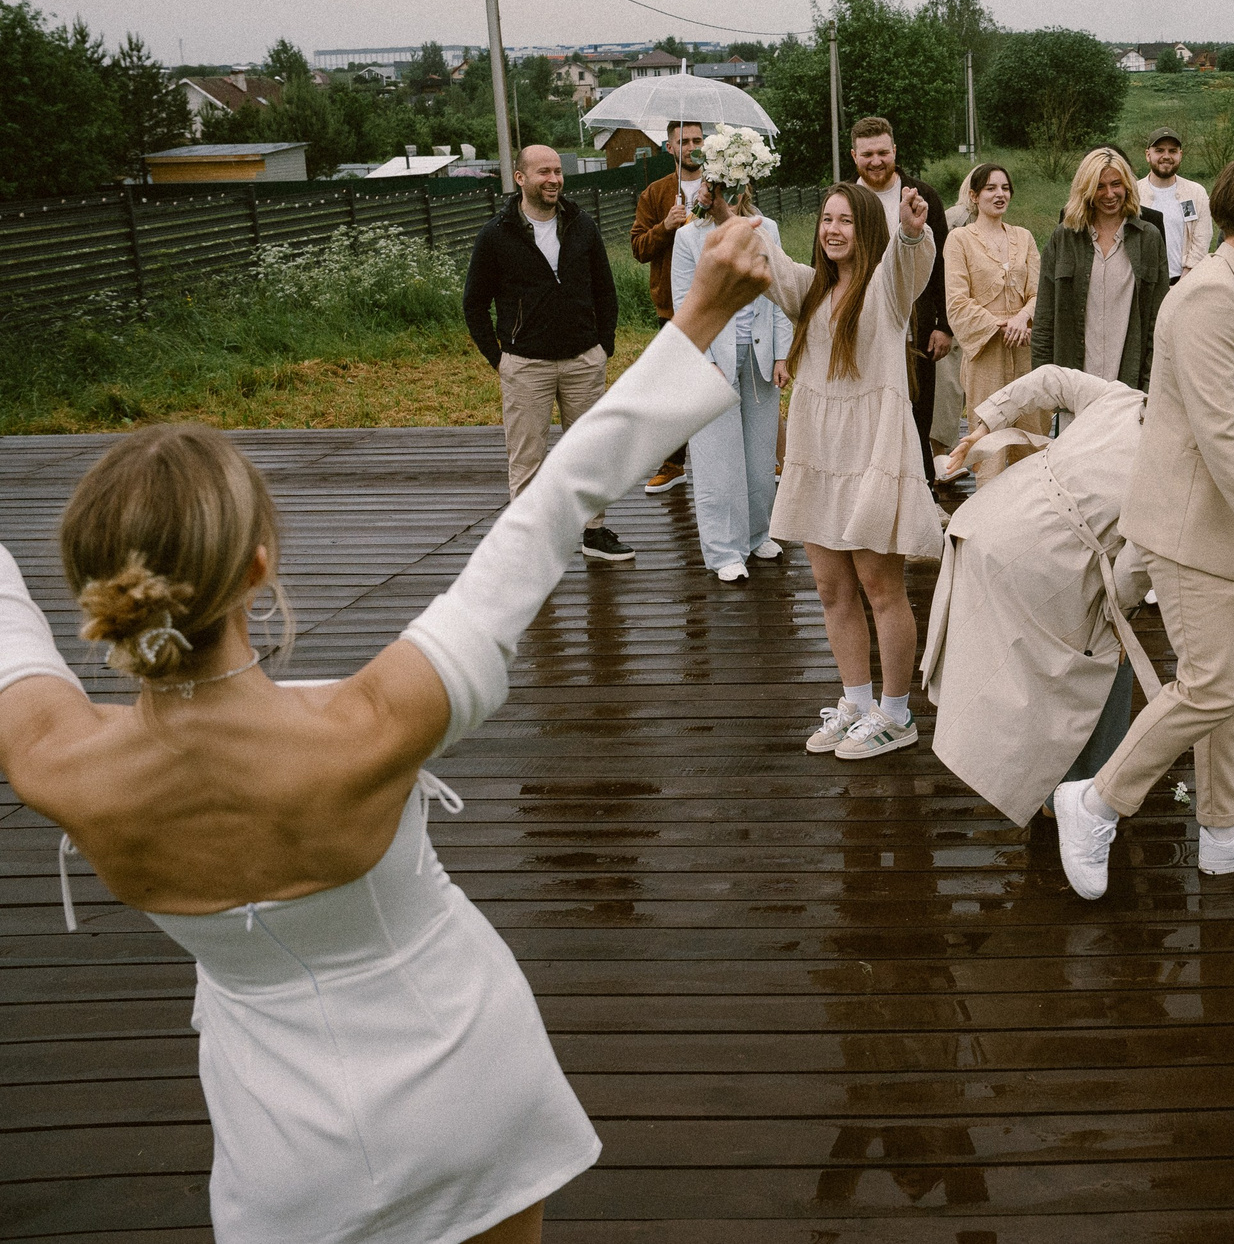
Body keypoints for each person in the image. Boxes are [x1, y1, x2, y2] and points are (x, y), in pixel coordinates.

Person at [0, 218, 775, 1244]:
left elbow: (10, 631)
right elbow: (552, 504)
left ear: (96, 593)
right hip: (468, 1087)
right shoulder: (373, 721)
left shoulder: (56, 761)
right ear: (260, 565)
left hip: (288, 1160)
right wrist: (703, 311)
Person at [1052, 155, 1234, 900]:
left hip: (1228, 530)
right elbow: (1219, 434)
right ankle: (1094, 801)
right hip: (1190, 531)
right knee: (1212, 685)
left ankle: (1223, 830)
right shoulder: (1209, 297)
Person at [920, 365, 1151, 825]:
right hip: (1047, 561)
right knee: (1107, 657)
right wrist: (1117, 612)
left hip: (988, 524)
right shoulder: (1173, 461)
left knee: (1030, 662)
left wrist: (985, 421)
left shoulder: (1121, 398)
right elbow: (1139, 562)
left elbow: (1047, 377)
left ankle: (1058, 788)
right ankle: (1084, 798)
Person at [764, 181, 942, 764]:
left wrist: (912, 228)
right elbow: (764, 256)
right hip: (820, 454)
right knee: (830, 588)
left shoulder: (885, 291)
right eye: (825, 220)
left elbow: (909, 260)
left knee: (880, 586)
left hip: (870, 454)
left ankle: (896, 713)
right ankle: (857, 703)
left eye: (845, 220)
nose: (833, 230)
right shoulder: (811, 290)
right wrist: (724, 203)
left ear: (866, 227)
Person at [463, 144, 630, 562]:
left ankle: (594, 532)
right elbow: (473, 303)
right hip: (525, 364)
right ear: (520, 178)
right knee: (527, 458)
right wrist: (499, 358)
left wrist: (602, 345)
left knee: (589, 451)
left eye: (557, 171)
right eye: (543, 172)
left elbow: (605, 291)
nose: (554, 179)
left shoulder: (581, 225)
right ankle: (528, 543)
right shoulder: (496, 235)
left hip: (582, 360)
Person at [672, 181, 792, 581]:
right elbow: (682, 300)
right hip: (713, 357)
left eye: (737, 184)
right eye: (719, 184)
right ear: (708, 188)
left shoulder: (766, 229)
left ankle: (758, 534)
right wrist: (703, 358)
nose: (727, 192)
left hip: (760, 357)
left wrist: (781, 353)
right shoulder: (690, 236)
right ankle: (725, 551)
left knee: (760, 457)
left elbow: (779, 294)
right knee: (718, 460)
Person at [847, 116, 953, 476]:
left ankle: (924, 493)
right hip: (862, 323)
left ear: (895, 151)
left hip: (917, 323)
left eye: (882, 152)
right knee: (867, 415)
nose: (875, 161)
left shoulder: (922, 196)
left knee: (918, 413)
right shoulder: (844, 199)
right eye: (867, 154)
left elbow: (943, 264)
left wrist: (945, 324)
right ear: (854, 156)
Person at [1030, 146, 1169, 395]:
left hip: (1129, 388)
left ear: (1127, 185)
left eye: (1116, 184)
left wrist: (1151, 389)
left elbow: (1158, 324)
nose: (1110, 194)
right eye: (1099, 186)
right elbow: (1044, 319)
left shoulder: (1149, 238)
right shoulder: (1063, 238)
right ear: (1085, 190)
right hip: (1074, 386)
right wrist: (1044, 383)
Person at [941, 163, 1040, 485]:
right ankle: (986, 519)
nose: (1000, 195)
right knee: (989, 437)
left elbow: (1039, 292)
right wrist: (1000, 325)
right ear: (974, 195)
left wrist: (1023, 318)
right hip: (985, 355)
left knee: (1031, 433)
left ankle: (1035, 518)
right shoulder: (959, 240)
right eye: (991, 189)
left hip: (1024, 350)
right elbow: (956, 300)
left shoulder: (1024, 238)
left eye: (1005, 188)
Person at [629, 119, 708, 494]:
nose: (691, 145)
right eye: (683, 141)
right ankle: (674, 463)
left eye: (697, 139)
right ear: (670, 148)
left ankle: (757, 454)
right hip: (674, 307)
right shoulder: (655, 193)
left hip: (719, 299)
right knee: (675, 387)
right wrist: (666, 225)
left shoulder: (724, 184)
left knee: (728, 377)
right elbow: (638, 248)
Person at [1136, 126, 1212, 282]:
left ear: (1180, 155)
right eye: (1159, 150)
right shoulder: (1133, 193)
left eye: (1172, 151)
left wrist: (1186, 277)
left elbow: (1202, 238)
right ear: (1148, 155)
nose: (1166, 156)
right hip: (1143, 283)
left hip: (1184, 282)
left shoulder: (1196, 193)